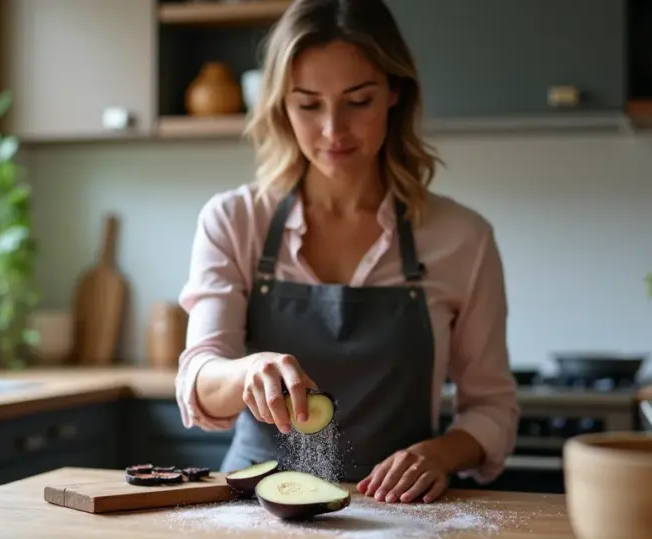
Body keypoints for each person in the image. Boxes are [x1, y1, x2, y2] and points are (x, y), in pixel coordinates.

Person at [175, 0, 519, 505]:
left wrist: (440, 455)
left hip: (400, 513)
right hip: (252, 512)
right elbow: (199, 379)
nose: (333, 130)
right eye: (308, 105)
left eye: (358, 101)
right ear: (281, 106)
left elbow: (492, 408)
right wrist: (248, 372)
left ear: (395, 93)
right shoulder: (234, 220)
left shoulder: (462, 238)